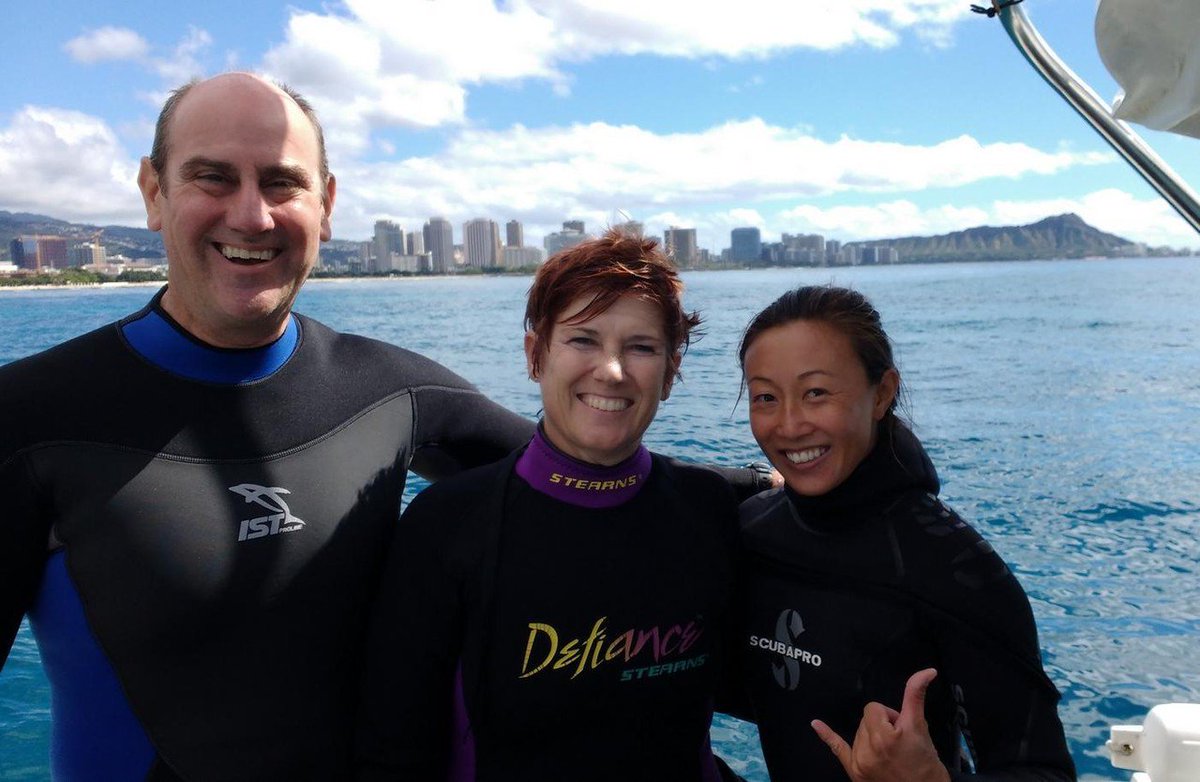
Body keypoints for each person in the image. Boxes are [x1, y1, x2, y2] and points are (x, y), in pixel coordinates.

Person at [0, 72, 536, 781]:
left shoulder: (394, 393)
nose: (251, 217)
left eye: (282, 183)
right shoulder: (29, 416)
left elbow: (593, 484)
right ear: (153, 193)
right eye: (213, 178)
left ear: (327, 204)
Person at [356, 230, 741, 781]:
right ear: (536, 356)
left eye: (642, 347)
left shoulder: (709, 509)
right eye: (583, 340)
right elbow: (392, 751)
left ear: (672, 371)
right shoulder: (448, 526)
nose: (612, 370)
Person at [730, 286, 1076, 781]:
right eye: (765, 397)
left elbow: (1043, 772)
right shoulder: (750, 531)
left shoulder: (955, 568)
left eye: (817, 393)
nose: (788, 425)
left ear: (883, 393)